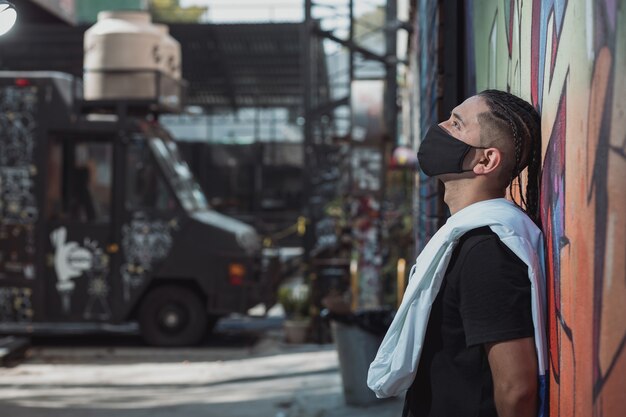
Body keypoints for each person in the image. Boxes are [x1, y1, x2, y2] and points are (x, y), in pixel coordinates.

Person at [367, 90, 546, 417]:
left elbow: (516, 390)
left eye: (456, 124)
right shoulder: (467, 238)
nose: (439, 127)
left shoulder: (486, 250)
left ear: (486, 160)